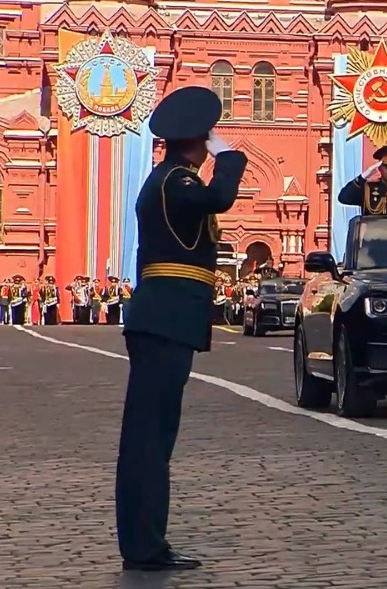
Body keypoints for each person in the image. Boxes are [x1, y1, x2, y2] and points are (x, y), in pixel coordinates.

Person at [115, 85, 248, 572]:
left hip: (165, 318)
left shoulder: (169, 177)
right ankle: (144, 547)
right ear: (198, 139)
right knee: (149, 441)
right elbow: (220, 198)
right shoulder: (175, 181)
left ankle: (146, 542)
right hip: (166, 318)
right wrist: (229, 157)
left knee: (153, 438)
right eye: (208, 136)